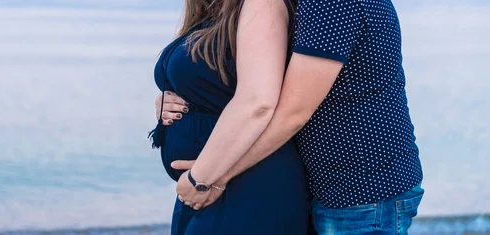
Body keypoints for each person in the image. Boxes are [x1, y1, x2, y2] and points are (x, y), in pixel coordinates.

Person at [156, 0, 425, 234]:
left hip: (363, 188)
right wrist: (188, 101)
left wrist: (214, 177)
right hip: (335, 184)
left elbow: (290, 111)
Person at [148, 0, 311, 234]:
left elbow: (258, 103)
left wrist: (201, 178)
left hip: (249, 185)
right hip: (207, 186)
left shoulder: (263, 4)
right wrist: (174, 99)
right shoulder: (213, 9)